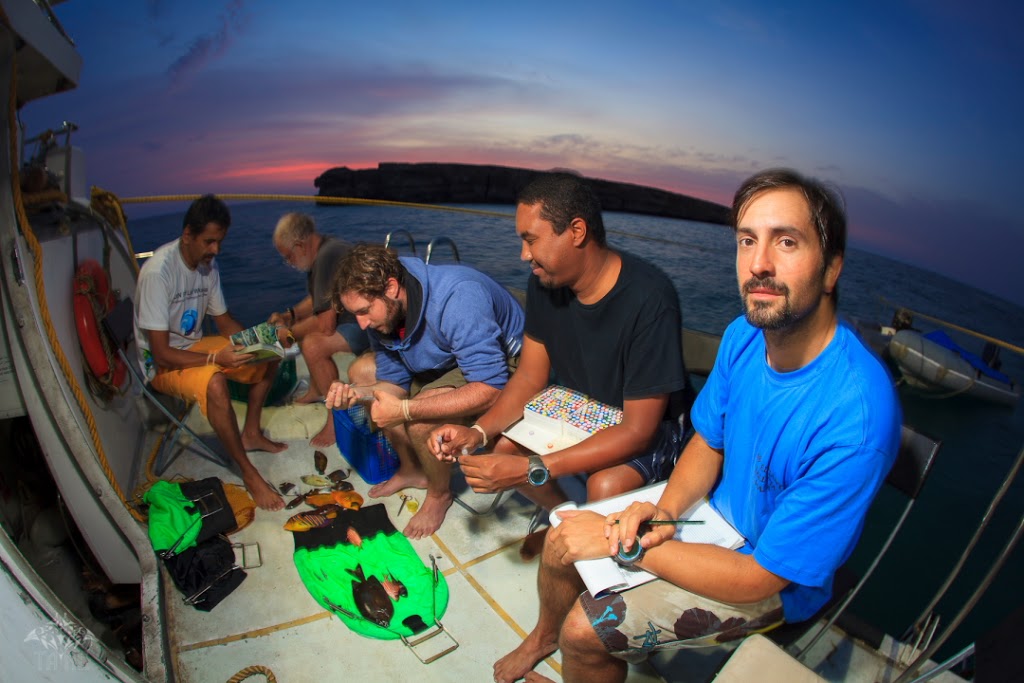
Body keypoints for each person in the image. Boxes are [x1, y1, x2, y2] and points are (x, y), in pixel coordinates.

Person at [494, 168, 903, 683]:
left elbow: (762, 577)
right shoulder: (743, 337)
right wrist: (660, 514)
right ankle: (541, 637)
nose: (759, 264)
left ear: (830, 269)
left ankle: (570, 644)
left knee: (585, 631)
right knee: (561, 539)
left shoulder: (856, 419)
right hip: (709, 518)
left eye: (787, 242)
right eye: (747, 241)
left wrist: (631, 544)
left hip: (768, 578)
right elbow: (708, 441)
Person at [429, 173, 693, 516]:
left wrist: (534, 467)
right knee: (503, 447)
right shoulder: (543, 283)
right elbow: (528, 379)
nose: (524, 255)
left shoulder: (650, 298)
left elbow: (638, 431)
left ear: (577, 232)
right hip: (588, 406)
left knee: (604, 485)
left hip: (652, 424)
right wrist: (476, 434)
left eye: (531, 240)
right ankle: (563, 518)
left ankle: (581, 540)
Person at [324, 244, 524, 539]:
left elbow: (491, 386)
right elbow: (393, 384)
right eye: (356, 314)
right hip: (448, 357)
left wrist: (407, 410)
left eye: (365, 312)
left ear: (391, 287)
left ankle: (439, 494)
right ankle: (412, 469)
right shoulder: (385, 313)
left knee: (419, 421)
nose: (362, 323)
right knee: (360, 373)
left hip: (505, 368)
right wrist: (356, 393)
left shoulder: (457, 296)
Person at [134, 194, 286, 511]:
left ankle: (252, 433)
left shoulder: (207, 265)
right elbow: (161, 353)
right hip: (162, 364)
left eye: (219, 242)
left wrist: (259, 339)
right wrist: (217, 359)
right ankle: (248, 473)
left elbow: (224, 321)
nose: (215, 250)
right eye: (209, 241)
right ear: (187, 235)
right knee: (215, 381)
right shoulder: (157, 273)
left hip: (194, 348)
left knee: (271, 349)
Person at [266, 212, 371, 447]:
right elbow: (318, 299)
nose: (289, 263)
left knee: (313, 345)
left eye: (288, 257)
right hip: (355, 317)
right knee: (307, 337)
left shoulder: (327, 258)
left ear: (299, 245)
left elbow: (325, 325)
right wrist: (289, 316)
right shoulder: (327, 248)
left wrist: (289, 335)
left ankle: (337, 419)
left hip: (368, 324)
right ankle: (316, 389)